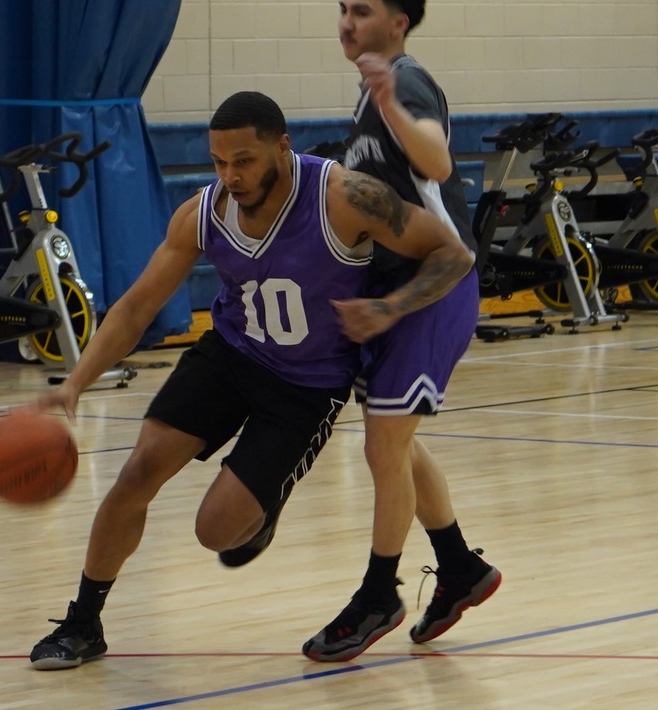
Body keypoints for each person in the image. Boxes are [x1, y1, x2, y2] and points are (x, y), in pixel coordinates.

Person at [27, 90, 474, 670]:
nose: (229, 176)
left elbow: (451, 255)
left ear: (282, 148)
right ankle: (84, 621)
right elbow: (138, 307)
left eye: (243, 161)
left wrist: (389, 309)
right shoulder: (204, 212)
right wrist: (74, 384)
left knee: (217, 532)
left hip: (306, 387)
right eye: (218, 162)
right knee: (138, 471)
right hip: (229, 355)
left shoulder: (344, 197)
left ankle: (262, 504)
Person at [301, 0, 501, 663]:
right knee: (398, 444)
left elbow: (439, 162)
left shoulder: (406, 81)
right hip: (395, 296)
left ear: (399, 21)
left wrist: (389, 103)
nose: (347, 22)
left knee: (382, 445)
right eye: (343, 8)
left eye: (361, 10)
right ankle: (459, 569)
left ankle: (378, 594)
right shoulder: (370, 94)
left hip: (435, 286)